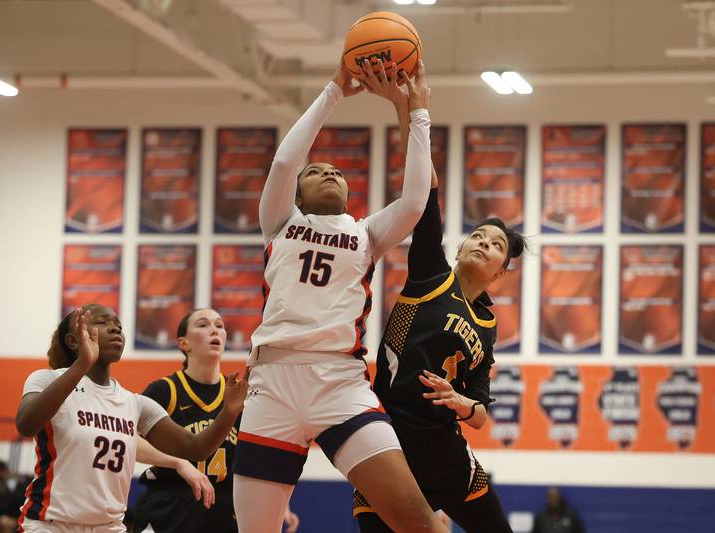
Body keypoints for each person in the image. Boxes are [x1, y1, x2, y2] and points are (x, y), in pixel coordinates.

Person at [232, 57, 448, 533]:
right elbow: (286, 160)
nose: (329, 173)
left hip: (340, 384)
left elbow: (416, 199)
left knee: (420, 522)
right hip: (273, 383)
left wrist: (418, 114)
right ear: (298, 194)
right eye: (318, 172)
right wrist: (333, 90)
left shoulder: (367, 232)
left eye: (337, 172)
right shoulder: (281, 223)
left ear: (350, 193)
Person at [352, 72, 525, 533]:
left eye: (496, 245)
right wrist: (408, 110)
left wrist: (460, 402)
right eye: (478, 236)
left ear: (501, 272)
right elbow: (423, 187)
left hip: (446, 452)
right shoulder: (431, 274)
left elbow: (482, 416)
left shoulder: (486, 326)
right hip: (390, 438)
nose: (483, 243)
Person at [14, 304, 248, 532]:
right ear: (73, 340)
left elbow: (195, 448)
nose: (115, 329)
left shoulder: (135, 404)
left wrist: (228, 412)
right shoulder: (45, 379)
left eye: (118, 325)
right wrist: (82, 363)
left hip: (109, 527)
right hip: (50, 524)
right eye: (102, 323)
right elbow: (27, 424)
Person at [133, 308, 299, 533]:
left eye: (219, 326)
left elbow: (257, 453)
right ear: (183, 343)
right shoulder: (165, 390)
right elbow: (128, 439)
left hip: (223, 507)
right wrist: (178, 463)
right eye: (203, 325)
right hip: (171, 502)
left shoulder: (237, 394)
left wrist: (279, 503)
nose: (214, 330)